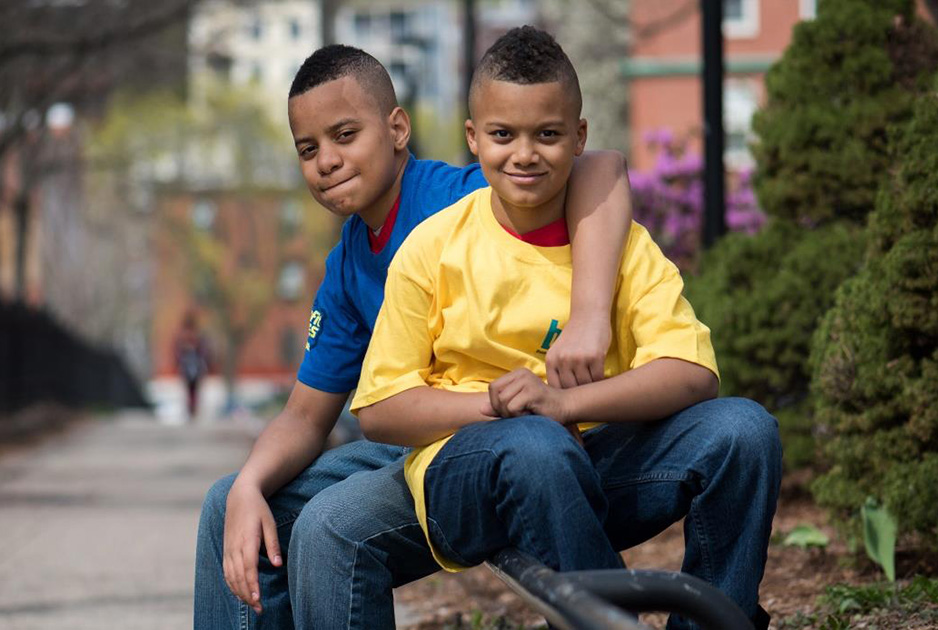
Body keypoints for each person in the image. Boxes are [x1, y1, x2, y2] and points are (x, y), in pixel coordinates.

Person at [349, 26, 781, 629]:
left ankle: (711, 624)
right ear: (473, 138)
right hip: (468, 476)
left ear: (579, 136)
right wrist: (507, 410)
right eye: (503, 135)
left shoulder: (621, 246)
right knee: (535, 444)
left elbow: (693, 374)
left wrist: (562, 402)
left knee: (744, 429)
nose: (524, 154)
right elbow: (379, 410)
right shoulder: (433, 248)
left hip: (590, 463)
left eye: (547, 134)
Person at [194, 44, 636, 629]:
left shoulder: (459, 198)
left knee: (328, 523)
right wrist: (249, 483)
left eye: (345, 134)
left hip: (501, 434)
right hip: (409, 438)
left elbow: (599, 166)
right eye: (309, 149)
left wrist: (588, 315)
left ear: (397, 128)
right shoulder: (347, 264)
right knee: (232, 504)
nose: (327, 160)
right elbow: (304, 418)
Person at [173, 312, 209, 418]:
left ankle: (193, 409)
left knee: (193, 390)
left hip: (195, 367)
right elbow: (178, 353)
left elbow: (203, 352)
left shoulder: (196, 338)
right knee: (190, 390)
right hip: (188, 367)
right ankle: (191, 409)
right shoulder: (185, 339)